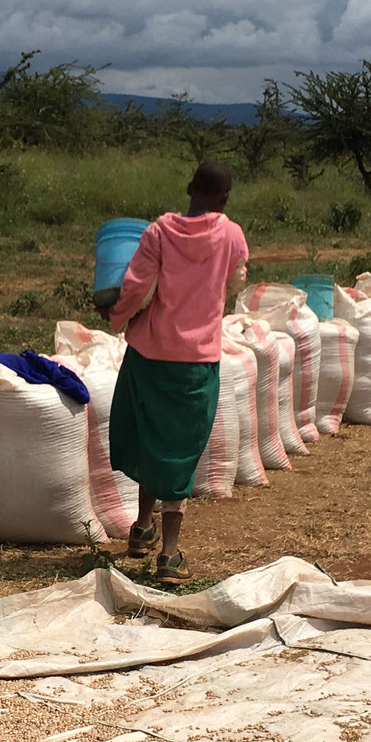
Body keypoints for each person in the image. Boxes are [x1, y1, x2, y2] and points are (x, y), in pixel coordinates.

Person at [105, 160, 248, 585]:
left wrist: (117, 317)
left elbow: (135, 287)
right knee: (178, 451)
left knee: (151, 436)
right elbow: (236, 282)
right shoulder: (230, 234)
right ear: (224, 198)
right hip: (195, 362)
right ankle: (168, 554)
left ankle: (140, 529)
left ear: (189, 188)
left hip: (149, 354)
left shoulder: (158, 232)